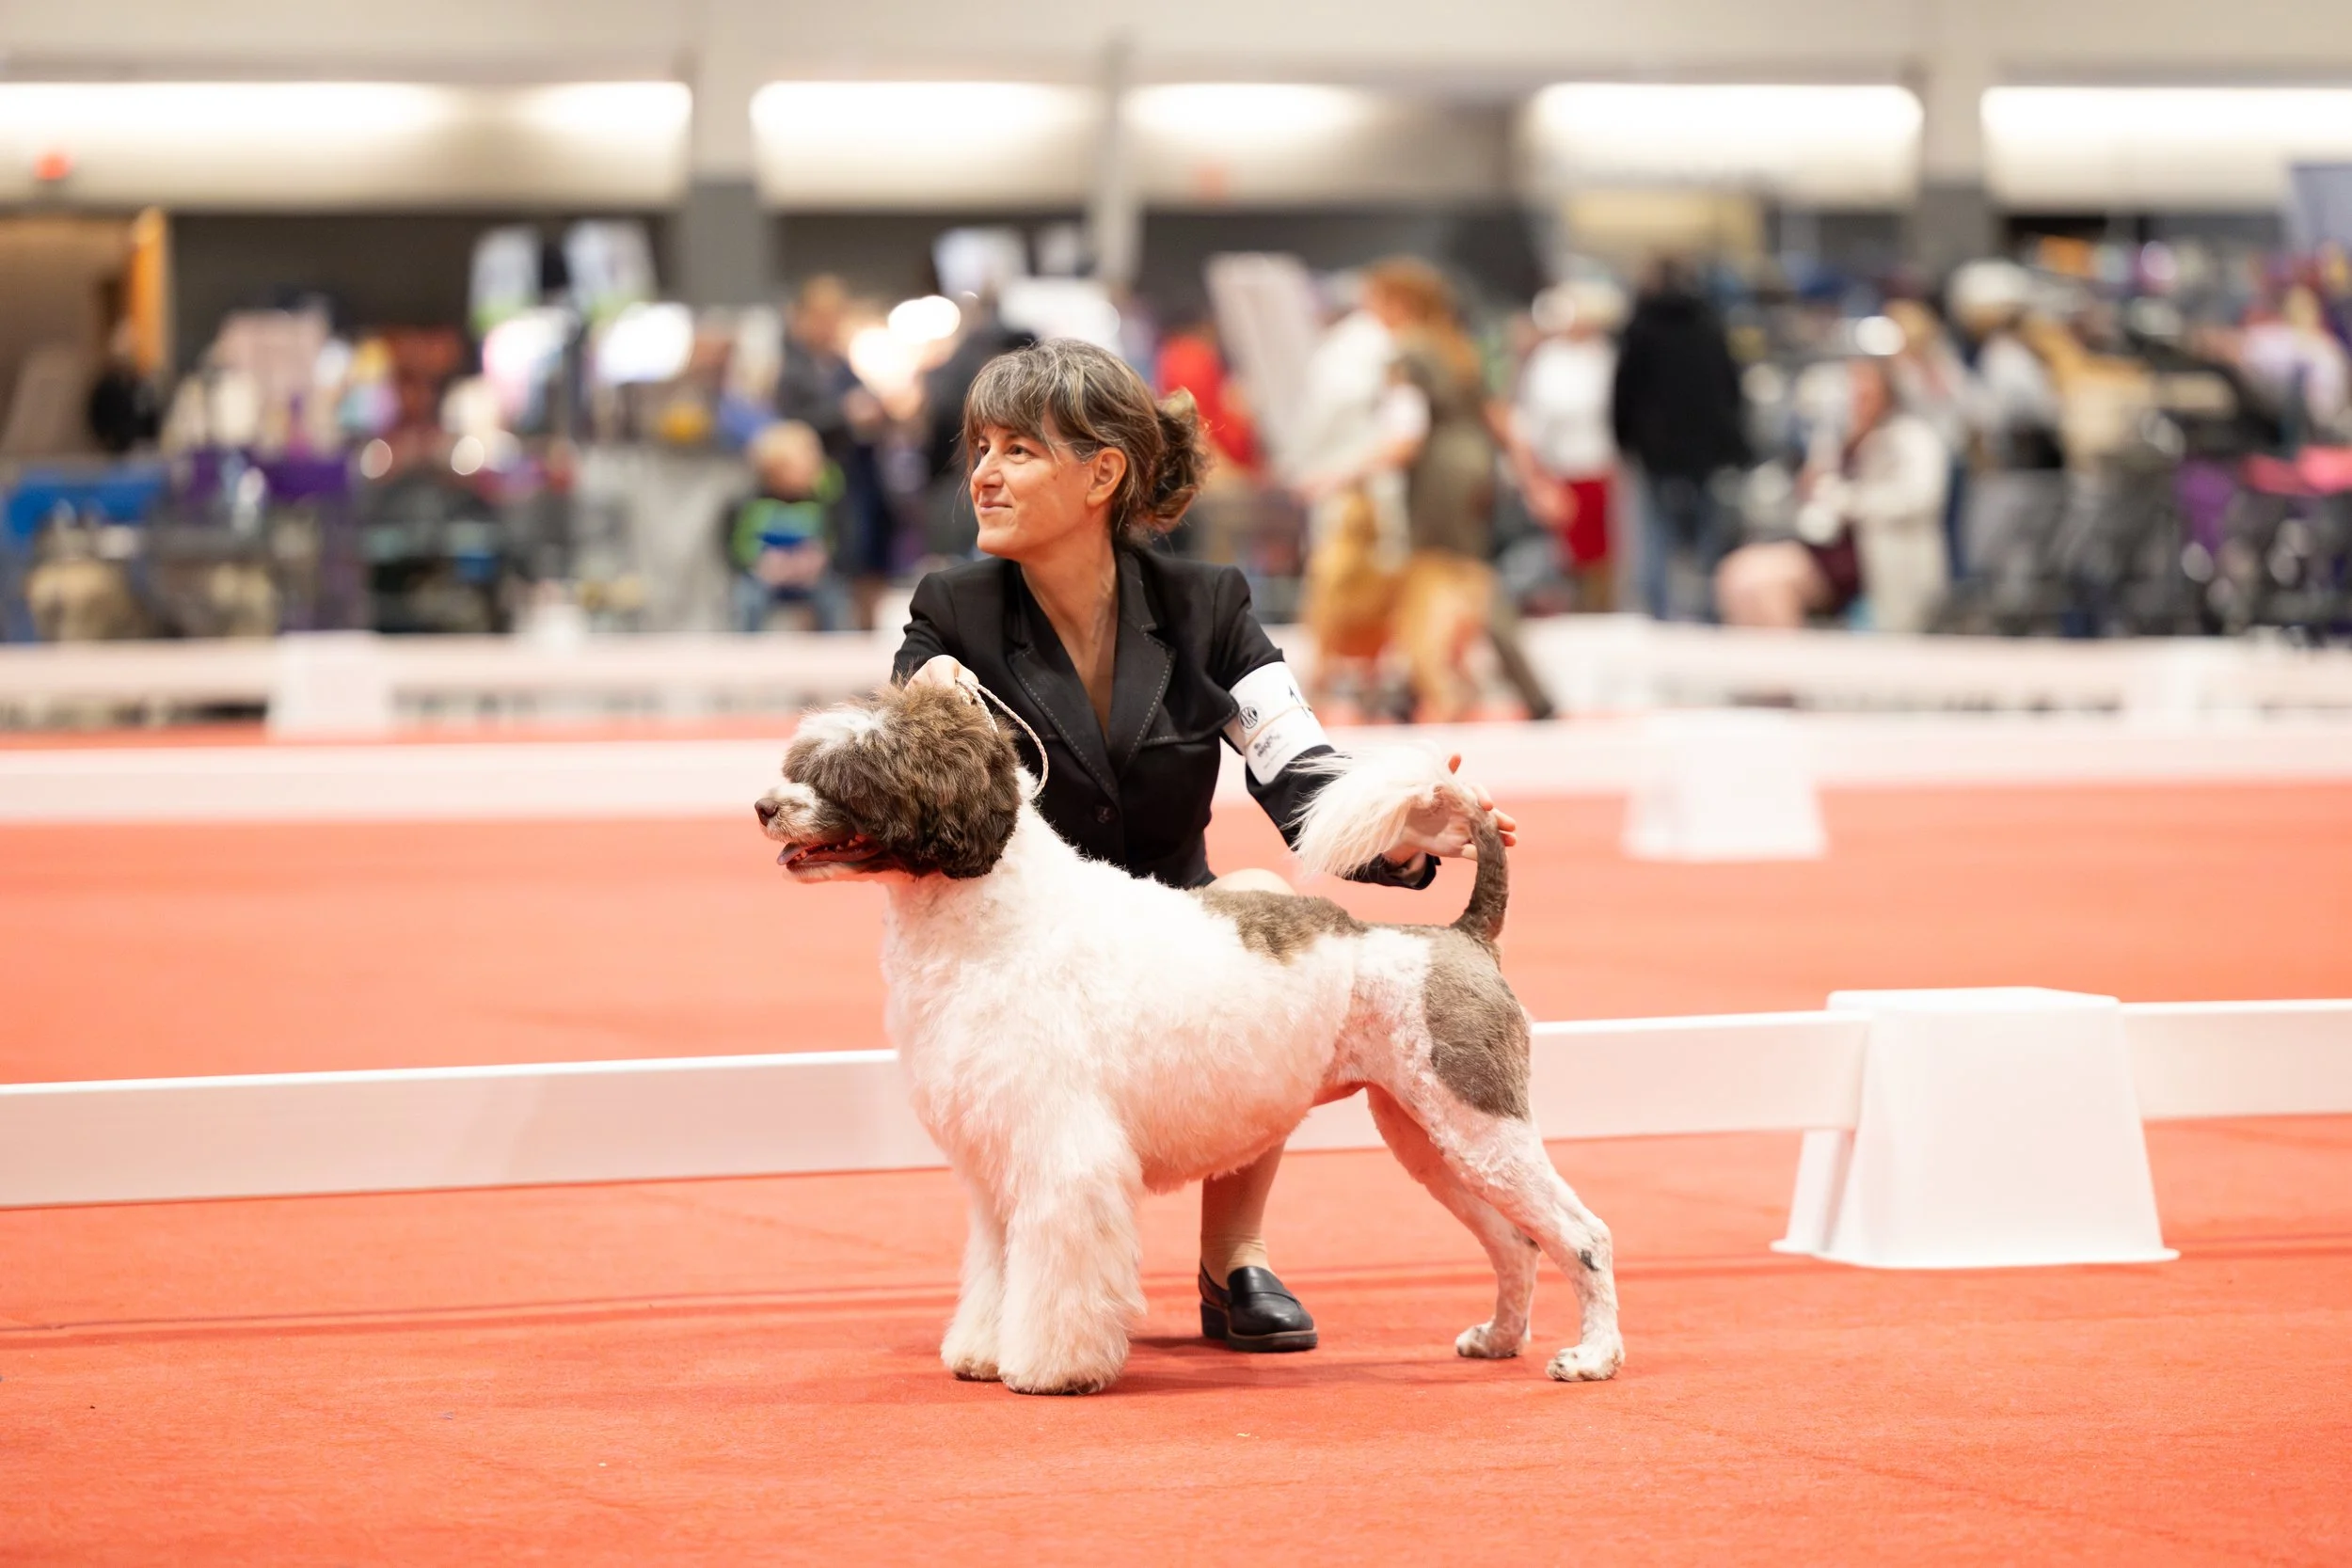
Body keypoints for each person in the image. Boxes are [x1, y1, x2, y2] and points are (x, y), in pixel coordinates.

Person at [892, 338, 1516, 1354]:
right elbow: (914, 769)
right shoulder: (948, 612)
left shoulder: (1206, 606)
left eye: (1018, 450)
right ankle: (1031, 1268)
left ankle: (1235, 1258)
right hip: (1029, 955)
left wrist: (1407, 829)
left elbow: (1299, 772)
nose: (984, 474)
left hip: (1176, 936)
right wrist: (927, 704)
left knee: (1262, 896)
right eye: (979, 448)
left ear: (1103, 474)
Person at [1714, 356, 1949, 632]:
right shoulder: (1841, 436)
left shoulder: (1911, 437)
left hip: (1874, 557)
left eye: (1865, 389)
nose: (1856, 396)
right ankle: (1759, 672)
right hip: (1827, 545)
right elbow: (1820, 497)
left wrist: (1848, 500)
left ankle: (1787, 674)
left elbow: (1919, 498)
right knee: (1735, 576)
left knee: (1763, 584)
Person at [1611, 257, 1749, 620]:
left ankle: (1659, 612)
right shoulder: (1708, 325)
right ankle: (1708, 611)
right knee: (1707, 536)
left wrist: (1624, 440)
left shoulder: (1642, 329)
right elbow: (1731, 388)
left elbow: (1623, 392)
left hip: (1656, 449)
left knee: (1657, 534)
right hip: (1705, 449)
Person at [1510, 280, 1624, 610]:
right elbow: (1528, 430)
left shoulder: (1604, 357)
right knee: (1564, 567)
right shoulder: (1547, 363)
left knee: (1604, 568)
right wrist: (1535, 482)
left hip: (1603, 474)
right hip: (1561, 476)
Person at [720, 420, 846, 633]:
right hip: (765, 576)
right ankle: (744, 650)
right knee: (747, 599)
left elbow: (831, 541)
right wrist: (759, 563)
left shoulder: (820, 503)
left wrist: (817, 559)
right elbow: (738, 546)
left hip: (810, 576)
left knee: (833, 598)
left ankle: (835, 648)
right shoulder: (751, 504)